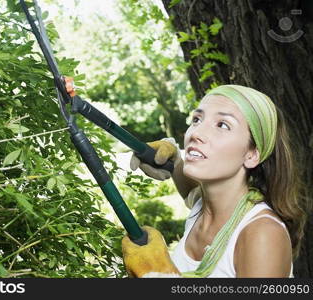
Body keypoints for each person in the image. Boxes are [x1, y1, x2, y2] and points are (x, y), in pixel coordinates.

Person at [122, 84, 306, 278]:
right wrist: (174, 160)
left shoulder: (263, 234)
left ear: (252, 155)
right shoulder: (202, 210)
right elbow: (191, 193)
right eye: (196, 119)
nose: (196, 133)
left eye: (222, 125)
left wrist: (158, 276)